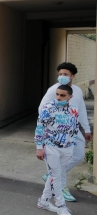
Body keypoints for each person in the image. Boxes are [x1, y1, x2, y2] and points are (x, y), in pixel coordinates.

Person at [38, 62, 91, 202]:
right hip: (55, 133)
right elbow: (42, 108)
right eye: (60, 74)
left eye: (65, 74)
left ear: (72, 76)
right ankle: (61, 187)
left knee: (78, 155)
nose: (62, 77)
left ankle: (52, 175)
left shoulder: (77, 91)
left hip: (72, 131)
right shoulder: (53, 90)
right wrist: (47, 127)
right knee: (59, 158)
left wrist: (87, 129)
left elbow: (81, 111)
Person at [35, 85, 77, 215]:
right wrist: (39, 147)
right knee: (56, 176)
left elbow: (74, 130)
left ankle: (44, 201)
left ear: (70, 96)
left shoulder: (73, 111)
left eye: (62, 95)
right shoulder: (47, 109)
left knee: (55, 175)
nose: (59, 97)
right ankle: (61, 206)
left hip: (67, 149)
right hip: (51, 147)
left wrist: (72, 145)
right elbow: (40, 128)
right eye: (57, 94)